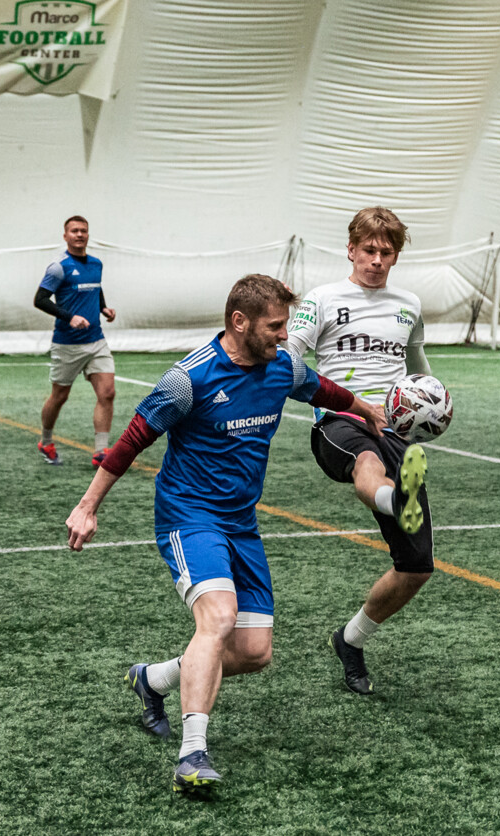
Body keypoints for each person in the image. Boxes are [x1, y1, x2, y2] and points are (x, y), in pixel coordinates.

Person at [65, 274, 391, 798]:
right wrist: (87, 507)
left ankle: (151, 680)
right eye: (275, 325)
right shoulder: (189, 379)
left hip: (241, 522)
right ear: (239, 322)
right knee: (217, 619)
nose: (284, 335)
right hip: (189, 516)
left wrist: (363, 409)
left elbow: (323, 389)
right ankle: (192, 754)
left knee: (254, 653)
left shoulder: (283, 366)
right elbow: (131, 440)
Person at [283, 206, 432, 697]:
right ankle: (395, 499)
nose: (376, 260)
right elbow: (290, 358)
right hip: (340, 420)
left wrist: (431, 403)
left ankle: (350, 639)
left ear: (396, 256)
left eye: (386, 252)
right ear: (351, 250)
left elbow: (419, 369)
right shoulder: (322, 299)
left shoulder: (409, 305)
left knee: (416, 567)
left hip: (395, 431)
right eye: (368, 250)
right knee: (365, 462)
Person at [33, 215, 117, 467]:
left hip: (96, 340)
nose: (79, 235)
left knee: (108, 393)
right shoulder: (58, 267)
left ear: (88, 235)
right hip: (67, 344)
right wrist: (69, 317)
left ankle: (101, 451)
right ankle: (46, 440)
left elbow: (95, 288)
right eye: (74, 231)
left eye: (83, 231)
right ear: (65, 236)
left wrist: (103, 308)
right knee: (59, 396)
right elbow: (40, 299)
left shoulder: (96, 264)